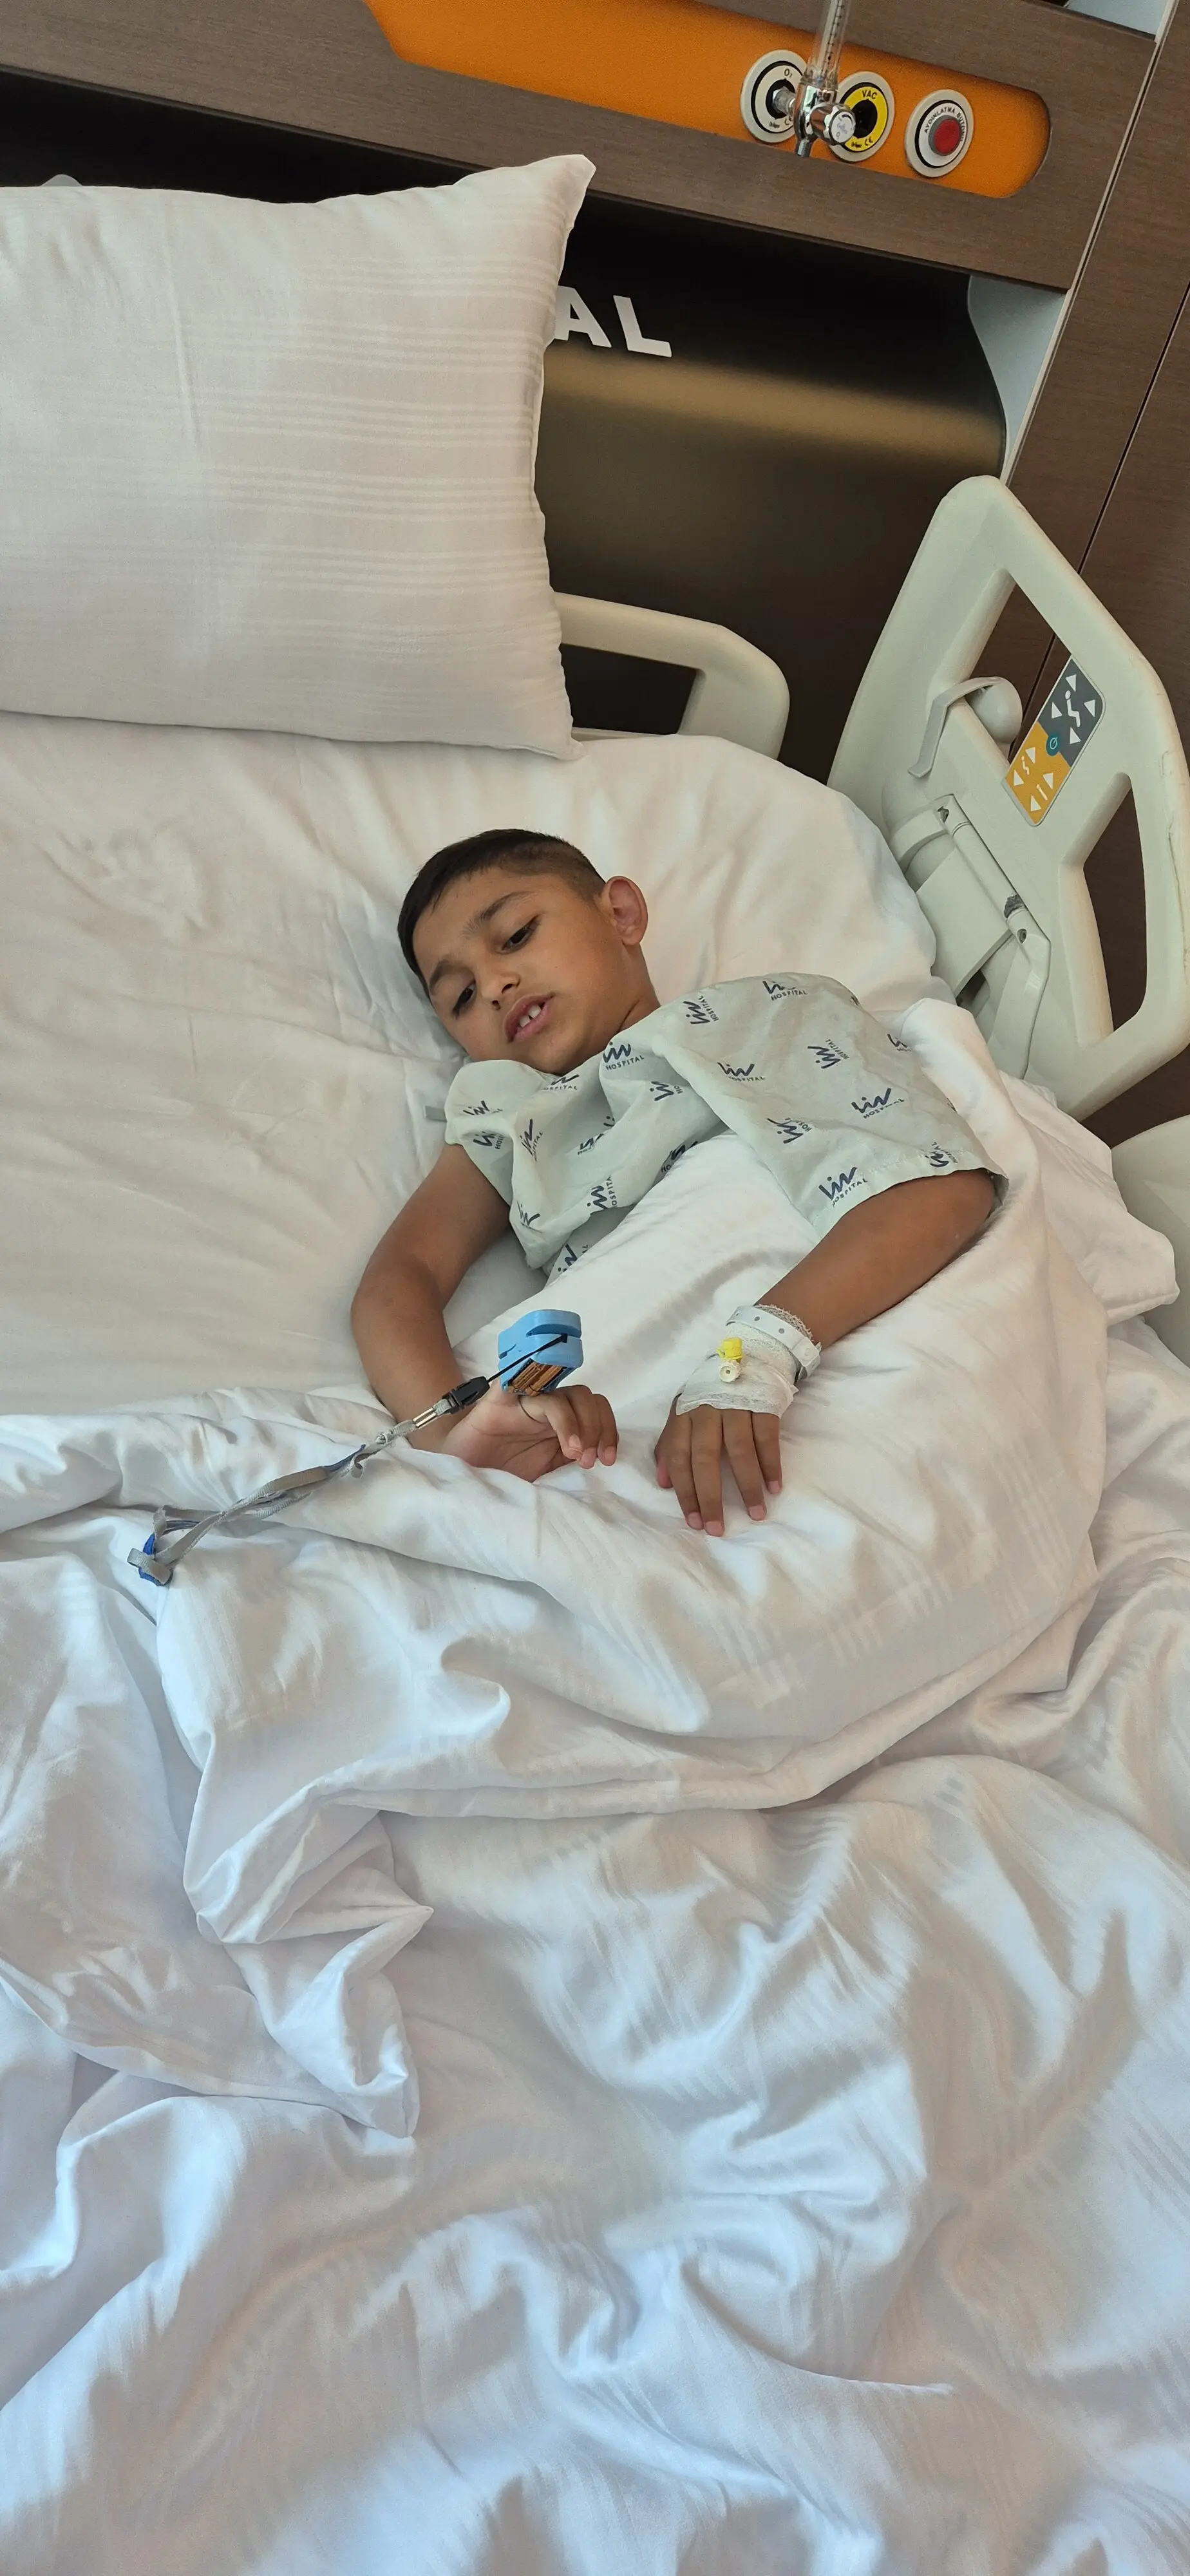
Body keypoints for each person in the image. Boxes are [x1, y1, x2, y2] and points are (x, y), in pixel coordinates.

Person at [352, 828, 996, 1536]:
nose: (496, 986)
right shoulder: (515, 1118)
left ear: (621, 914)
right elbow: (397, 1282)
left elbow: (938, 1181)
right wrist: (454, 1438)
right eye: (463, 996)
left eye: (516, 935)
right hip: (624, 1424)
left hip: (807, 1333)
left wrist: (753, 1358)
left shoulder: (767, 1013)